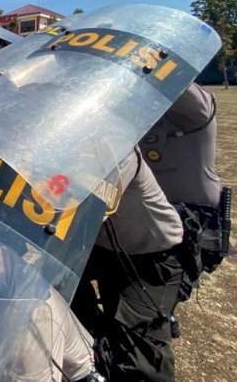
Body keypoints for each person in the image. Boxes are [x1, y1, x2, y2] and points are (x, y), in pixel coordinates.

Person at [73, 147, 184, 382]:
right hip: (102, 247)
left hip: (150, 257)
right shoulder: (71, 150)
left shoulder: (119, 151)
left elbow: (80, 211)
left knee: (138, 356)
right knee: (55, 286)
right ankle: (94, 344)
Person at [141, 83, 228, 277]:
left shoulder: (198, 109)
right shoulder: (139, 110)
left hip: (189, 222)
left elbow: (171, 76)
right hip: (143, 219)